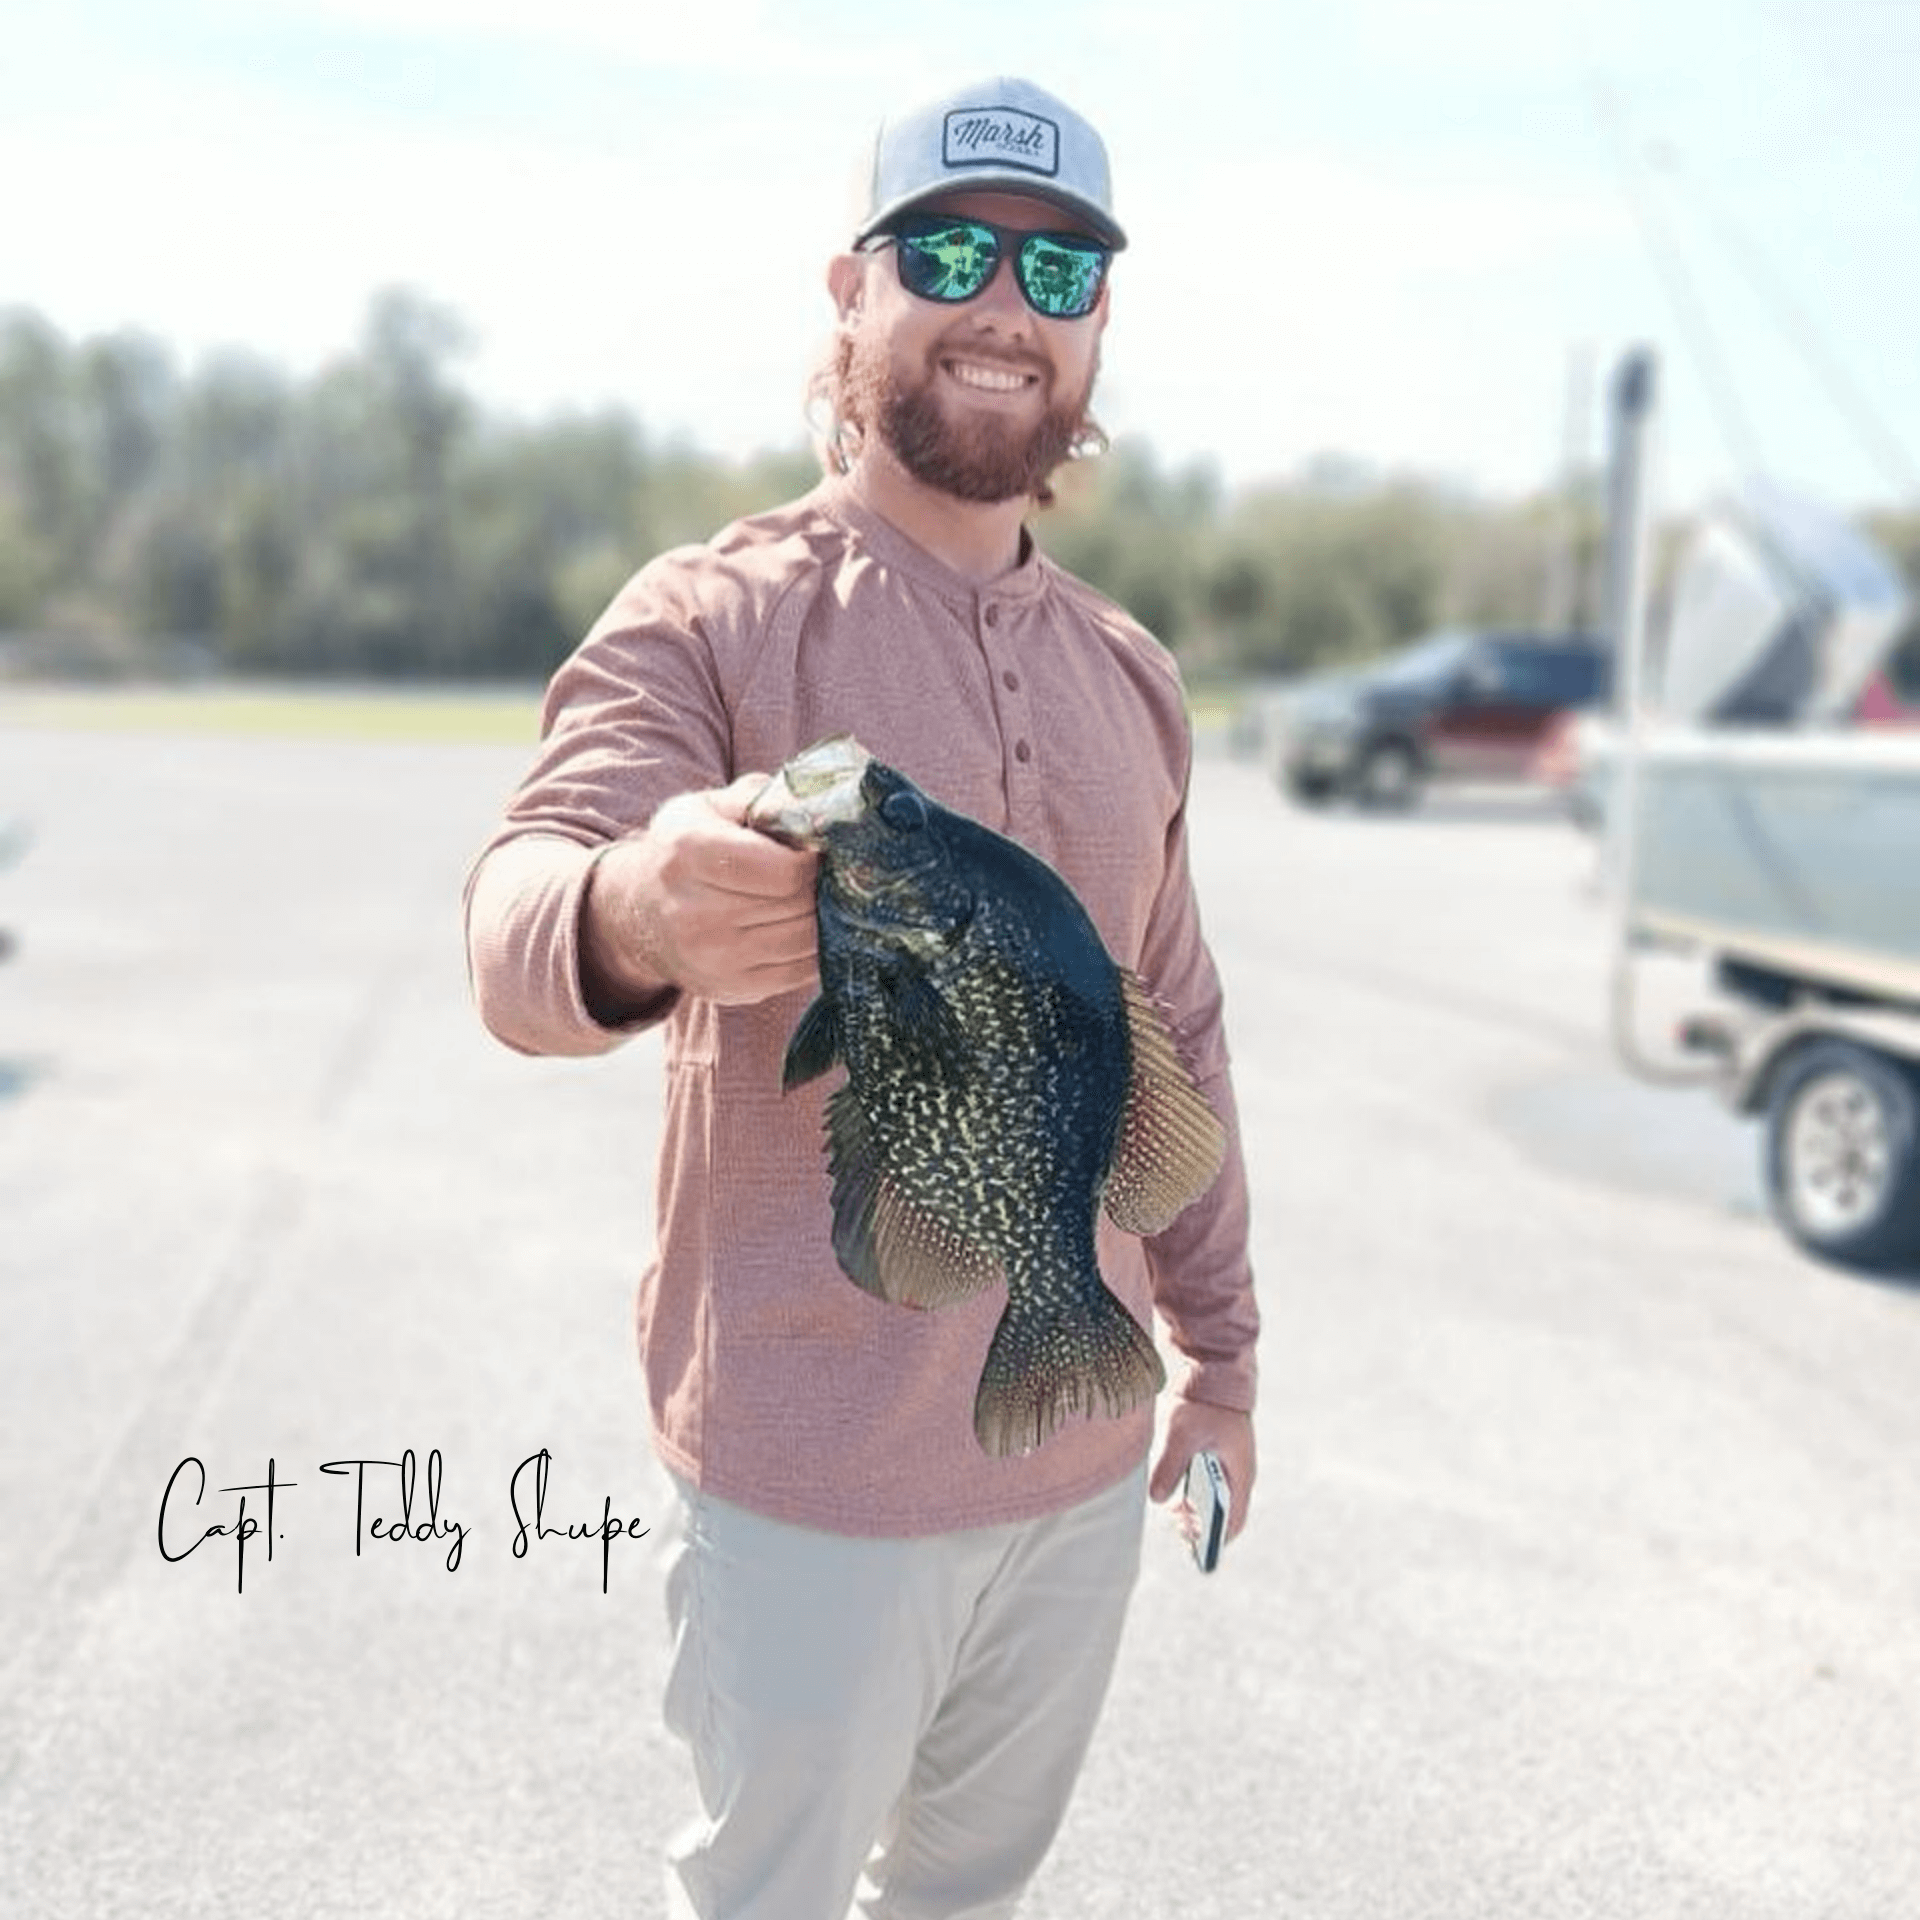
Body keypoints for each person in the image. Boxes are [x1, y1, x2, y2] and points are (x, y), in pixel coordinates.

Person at [464, 74, 1259, 1920]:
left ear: (1097, 327)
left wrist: (1218, 1361)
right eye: (956, 251)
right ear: (854, 289)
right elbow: (514, 919)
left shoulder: (1133, 677)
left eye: (1058, 269)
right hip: (807, 1484)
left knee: (970, 1898)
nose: (1008, 305)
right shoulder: (714, 616)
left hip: (1082, 1448)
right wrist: (633, 910)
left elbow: (1182, 1032)